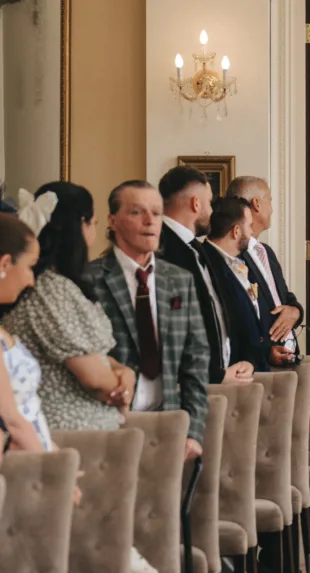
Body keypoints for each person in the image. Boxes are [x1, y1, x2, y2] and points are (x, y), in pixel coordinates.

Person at [0, 212, 87, 573]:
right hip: (23, 477)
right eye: (28, 266)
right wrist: (55, 475)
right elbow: (12, 420)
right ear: (3, 263)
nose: (32, 277)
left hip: (34, 470)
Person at [83, 180, 210, 457]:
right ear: (113, 221)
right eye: (137, 212)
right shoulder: (87, 279)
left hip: (170, 421)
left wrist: (194, 431)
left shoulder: (179, 280)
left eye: (156, 212)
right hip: (111, 424)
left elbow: (196, 359)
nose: (149, 221)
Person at [6, 184, 135, 430]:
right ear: (81, 226)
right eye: (94, 223)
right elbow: (95, 379)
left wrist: (126, 373)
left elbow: (94, 355)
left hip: (92, 432)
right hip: (68, 433)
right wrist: (119, 385)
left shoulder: (64, 286)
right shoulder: (49, 290)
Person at [158, 166, 253, 384]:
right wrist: (215, 374)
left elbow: (216, 309)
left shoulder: (198, 248)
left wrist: (242, 361)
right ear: (195, 203)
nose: (211, 212)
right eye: (209, 203)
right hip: (189, 384)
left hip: (220, 376)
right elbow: (171, 329)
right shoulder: (161, 248)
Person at [225, 177, 302, 365]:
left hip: (289, 356)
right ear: (257, 204)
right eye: (270, 200)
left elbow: (285, 296)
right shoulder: (232, 254)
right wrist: (265, 353)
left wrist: (296, 311)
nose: (273, 209)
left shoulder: (266, 252)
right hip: (259, 363)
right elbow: (237, 318)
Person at [201, 197, 274, 371]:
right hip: (235, 373)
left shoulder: (237, 262)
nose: (252, 232)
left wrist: (267, 351)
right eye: (249, 226)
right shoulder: (206, 264)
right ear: (235, 231)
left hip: (255, 368)